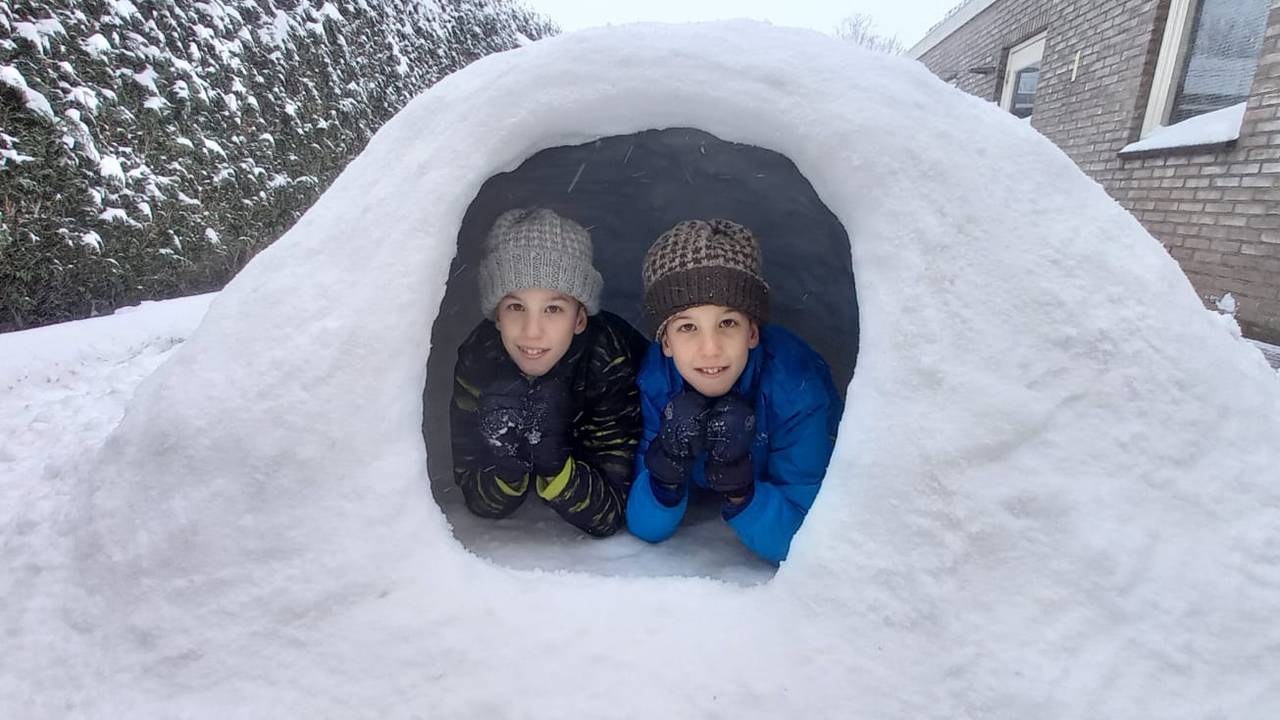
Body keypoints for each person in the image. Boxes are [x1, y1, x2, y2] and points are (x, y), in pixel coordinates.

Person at [626, 218, 842, 563]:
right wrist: (667, 467)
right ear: (665, 342)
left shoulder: (795, 389)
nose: (710, 349)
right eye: (687, 327)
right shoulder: (658, 381)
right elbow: (645, 527)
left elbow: (801, 543)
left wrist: (743, 492)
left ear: (752, 333)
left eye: (728, 323)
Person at [450, 208, 647, 537]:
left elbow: (611, 510)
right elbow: (475, 492)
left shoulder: (607, 360)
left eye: (553, 309)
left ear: (580, 319)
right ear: (496, 316)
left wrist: (555, 464)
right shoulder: (479, 360)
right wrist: (508, 466)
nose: (532, 332)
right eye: (516, 307)